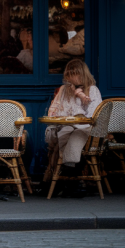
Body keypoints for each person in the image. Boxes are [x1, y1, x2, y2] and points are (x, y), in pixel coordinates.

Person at [44, 60, 102, 191]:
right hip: (66, 127)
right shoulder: (64, 90)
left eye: (74, 74)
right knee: (67, 130)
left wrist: (80, 98)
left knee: (74, 134)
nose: (70, 77)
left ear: (82, 74)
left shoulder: (92, 90)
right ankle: (72, 180)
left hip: (86, 130)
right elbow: (54, 112)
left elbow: (90, 117)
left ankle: (66, 175)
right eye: (68, 74)